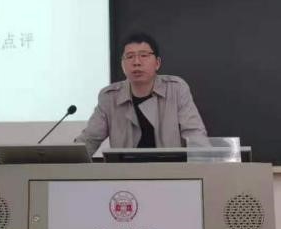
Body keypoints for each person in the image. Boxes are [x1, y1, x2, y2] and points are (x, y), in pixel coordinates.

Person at [75, 32, 209, 155]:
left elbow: (194, 134)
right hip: (126, 172)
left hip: (170, 170)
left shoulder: (176, 89)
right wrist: (68, 158)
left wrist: (204, 163)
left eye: (144, 55)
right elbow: (90, 139)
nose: (136, 62)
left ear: (157, 63)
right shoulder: (109, 97)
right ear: (122, 65)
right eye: (130, 56)